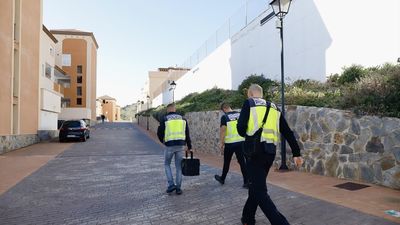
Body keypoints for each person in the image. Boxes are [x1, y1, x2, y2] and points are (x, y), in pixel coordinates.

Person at [237, 84, 304, 225]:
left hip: (254, 152)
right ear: (261, 93)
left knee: (259, 190)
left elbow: (241, 129)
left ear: (250, 94)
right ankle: (247, 218)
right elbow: (287, 131)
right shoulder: (274, 107)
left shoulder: (249, 103)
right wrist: (296, 153)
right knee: (256, 185)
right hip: (270, 152)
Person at [157, 103, 192, 195]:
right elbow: (187, 133)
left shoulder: (164, 119)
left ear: (168, 110)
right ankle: (178, 188)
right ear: (175, 109)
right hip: (180, 145)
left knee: (167, 164)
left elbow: (159, 133)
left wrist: (163, 141)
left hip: (169, 145)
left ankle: (171, 184)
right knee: (179, 167)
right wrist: (190, 146)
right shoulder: (183, 119)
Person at [214, 103, 248, 188]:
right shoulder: (240, 114)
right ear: (230, 107)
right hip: (241, 142)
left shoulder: (224, 117)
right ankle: (246, 182)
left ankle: (222, 178)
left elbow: (223, 130)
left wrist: (221, 143)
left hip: (230, 144)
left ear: (224, 109)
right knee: (242, 162)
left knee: (227, 161)